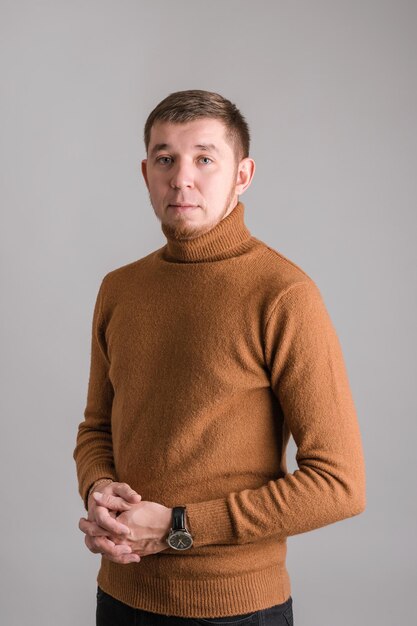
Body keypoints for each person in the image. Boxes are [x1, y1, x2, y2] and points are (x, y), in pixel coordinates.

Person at [73, 89, 366, 625]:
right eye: (165, 159)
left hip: (233, 608)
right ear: (145, 173)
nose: (181, 177)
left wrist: (178, 525)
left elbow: (339, 484)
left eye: (205, 158)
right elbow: (96, 429)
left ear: (243, 174)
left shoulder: (283, 295)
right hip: (119, 596)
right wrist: (97, 487)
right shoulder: (119, 288)